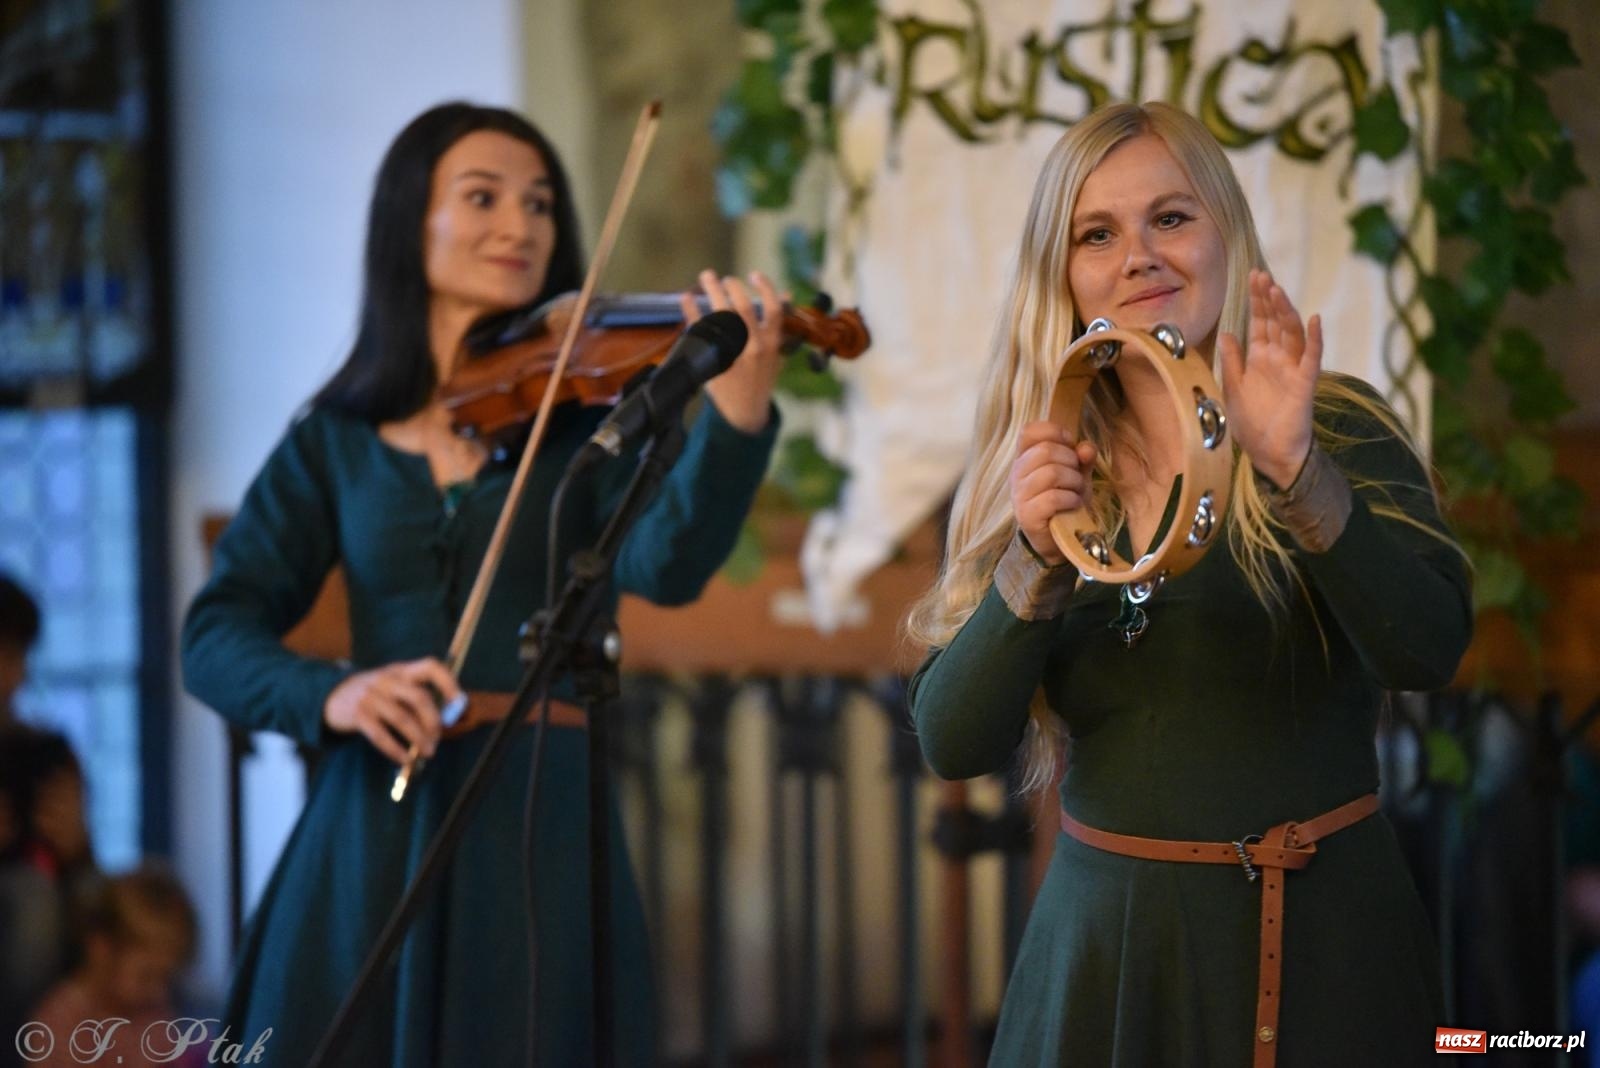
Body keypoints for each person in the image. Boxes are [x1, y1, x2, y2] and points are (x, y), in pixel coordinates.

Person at [180, 102, 784, 1066]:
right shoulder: (334, 442)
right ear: (408, 223)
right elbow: (214, 636)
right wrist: (337, 691)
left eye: (540, 203)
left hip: (539, 826)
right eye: (484, 197)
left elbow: (664, 566)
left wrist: (737, 420)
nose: (522, 226)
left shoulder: (586, 420)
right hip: (369, 833)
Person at [906, 102, 1472, 1066]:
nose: (1140, 257)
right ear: (1067, 273)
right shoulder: (1041, 457)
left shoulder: (1335, 426)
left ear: (1226, 232)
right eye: (1098, 233)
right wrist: (1034, 557)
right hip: (1111, 955)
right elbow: (953, 743)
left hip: (1329, 944)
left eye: (1171, 218)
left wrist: (1299, 474)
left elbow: (1427, 651)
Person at [0, 575, 98, 1066]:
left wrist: (77, 844)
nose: (12, 678)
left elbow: (86, 881)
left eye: (17, 658)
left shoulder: (44, 751)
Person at [28, 865, 204, 1068]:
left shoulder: (153, 1011)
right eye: (146, 976)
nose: (159, 991)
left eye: (167, 979)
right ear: (101, 950)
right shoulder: (61, 1022)